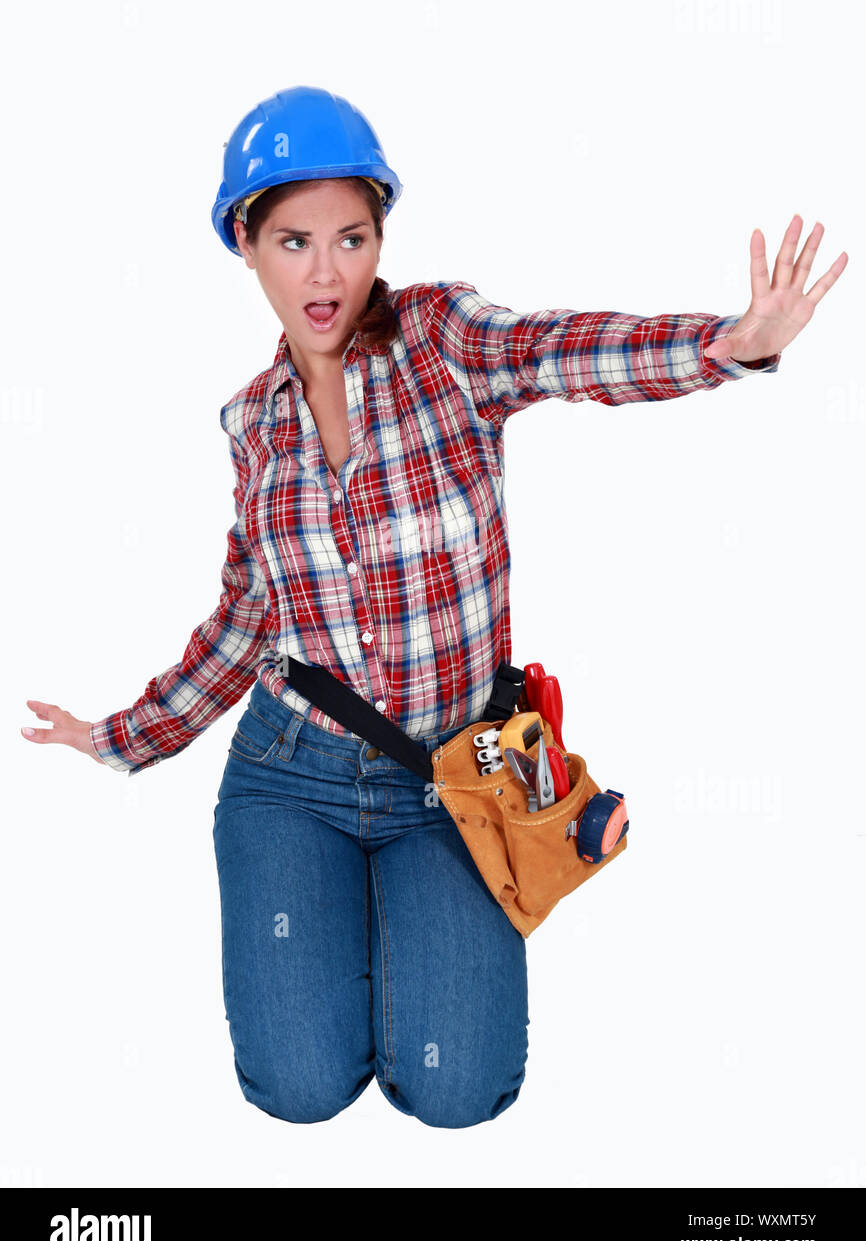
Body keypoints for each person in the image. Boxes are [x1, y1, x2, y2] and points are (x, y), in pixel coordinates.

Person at [20, 86, 848, 1129]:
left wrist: (728, 342)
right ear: (246, 243)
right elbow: (244, 621)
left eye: (350, 236)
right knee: (298, 1090)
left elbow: (565, 348)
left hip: (451, 778)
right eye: (292, 240)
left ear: (378, 234)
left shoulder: (442, 341)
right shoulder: (253, 425)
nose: (324, 271)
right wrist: (120, 736)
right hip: (293, 778)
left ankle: (391, 925)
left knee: (460, 1092)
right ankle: (334, 924)